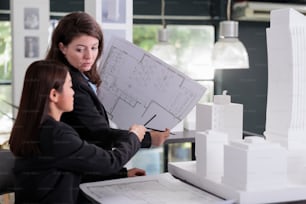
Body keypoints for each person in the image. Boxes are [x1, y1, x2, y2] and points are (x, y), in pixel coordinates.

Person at [45, 11, 170, 178]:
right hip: (78, 180)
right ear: (62, 48)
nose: (89, 56)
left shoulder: (81, 75)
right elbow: (97, 134)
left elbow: (85, 152)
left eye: (94, 48)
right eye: (80, 49)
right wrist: (146, 138)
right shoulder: (70, 82)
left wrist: (121, 174)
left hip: (86, 171)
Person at [9, 60, 146, 203]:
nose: (73, 92)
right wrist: (134, 137)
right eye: (70, 86)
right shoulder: (56, 134)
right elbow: (109, 162)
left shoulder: (34, 128)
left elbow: (76, 169)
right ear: (54, 95)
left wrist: (122, 174)